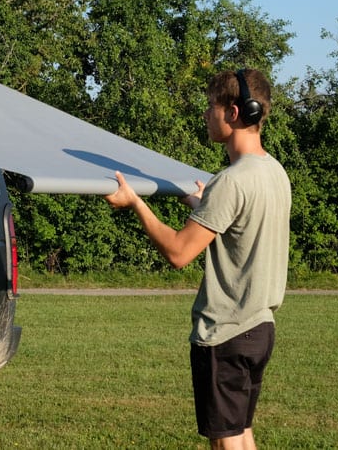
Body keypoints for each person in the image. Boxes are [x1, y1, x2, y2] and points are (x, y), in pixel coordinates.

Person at [104, 68, 290, 450]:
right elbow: (235, 223)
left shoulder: (231, 180)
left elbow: (178, 252)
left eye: (212, 107)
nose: (206, 114)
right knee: (241, 434)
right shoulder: (274, 172)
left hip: (227, 331)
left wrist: (136, 203)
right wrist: (200, 204)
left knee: (225, 443)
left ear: (235, 113)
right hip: (259, 328)